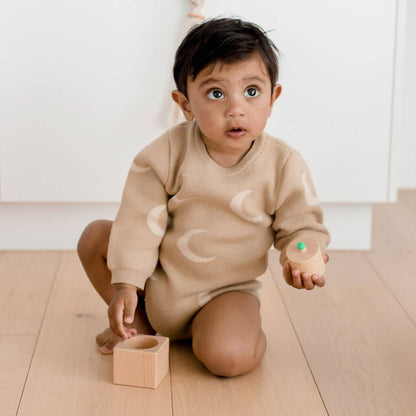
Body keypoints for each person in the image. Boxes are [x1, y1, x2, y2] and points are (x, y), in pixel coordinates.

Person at [77, 17, 330, 378]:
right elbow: (138, 221)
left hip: (225, 293)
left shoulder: (283, 164)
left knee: (228, 358)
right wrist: (126, 283)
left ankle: (230, 331)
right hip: (160, 278)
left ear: (273, 98)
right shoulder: (164, 154)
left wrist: (303, 251)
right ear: (185, 104)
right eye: (216, 93)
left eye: (252, 92)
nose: (236, 108)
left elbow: (302, 224)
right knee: (96, 237)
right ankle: (140, 325)